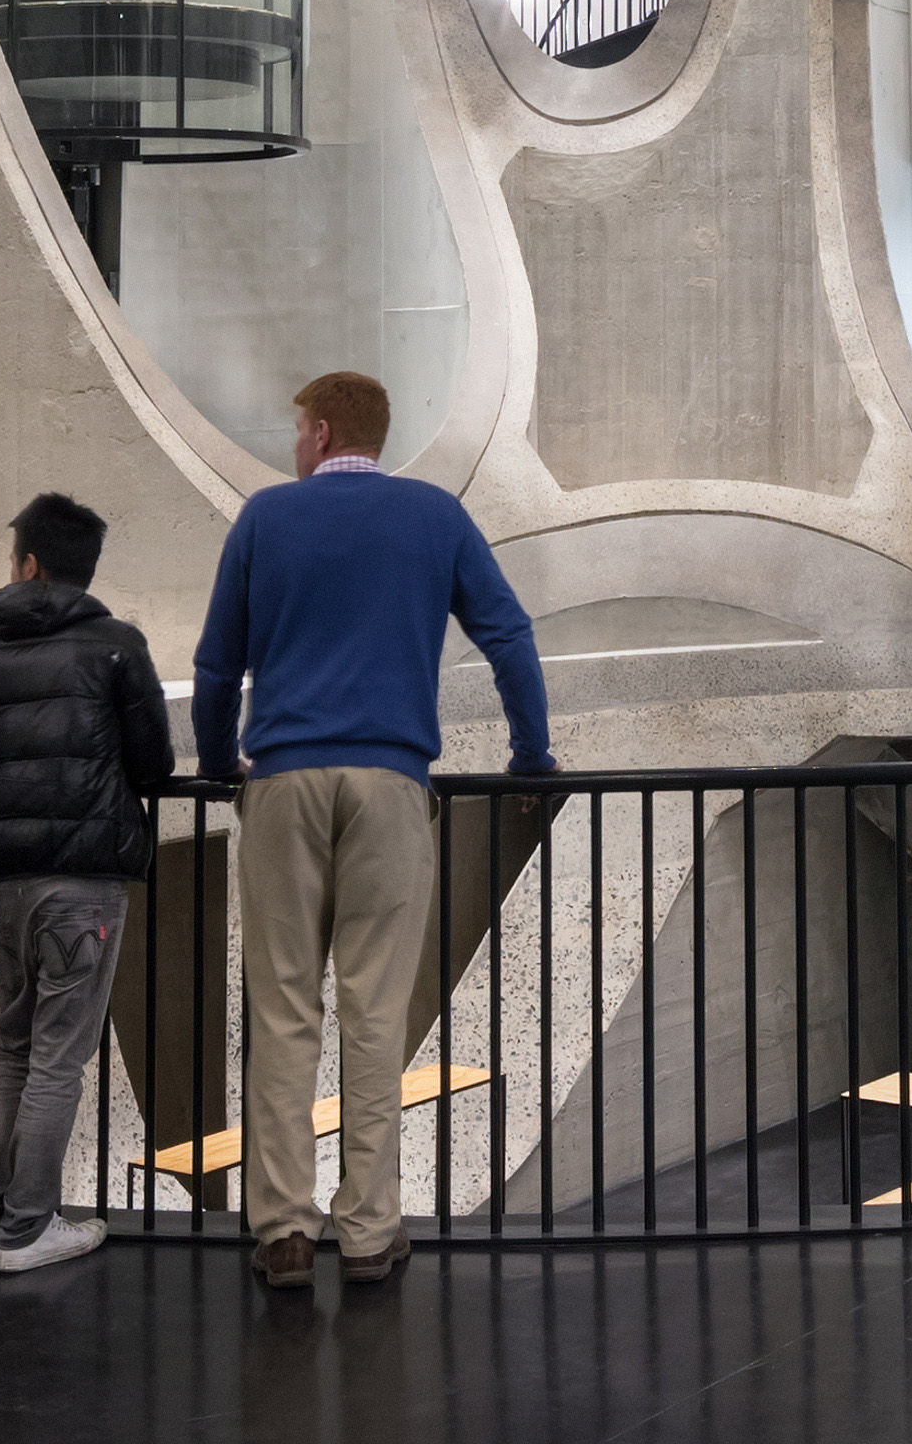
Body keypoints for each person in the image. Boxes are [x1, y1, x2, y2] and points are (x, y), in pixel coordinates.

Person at [193, 369, 551, 1290]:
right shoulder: (435, 517)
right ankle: (366, 1231)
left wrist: (211, 763)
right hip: (392, 782)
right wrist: (531, 757)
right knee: (374, 1011)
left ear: (317, 432)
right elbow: (508, 636)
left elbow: (216, 663)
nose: (293, 442)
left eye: (295, 428)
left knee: (282, 1010)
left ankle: (280, 1230)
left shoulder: (266, 519)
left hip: (281, 780)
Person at [0, 489, 170, 1275]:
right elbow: (155, 765)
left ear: (29, 564)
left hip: (2, 880)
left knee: (10, 1049)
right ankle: (27, 1230)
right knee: (56, 1058)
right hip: (84, 880)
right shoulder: (115, 645)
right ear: (82, 569)